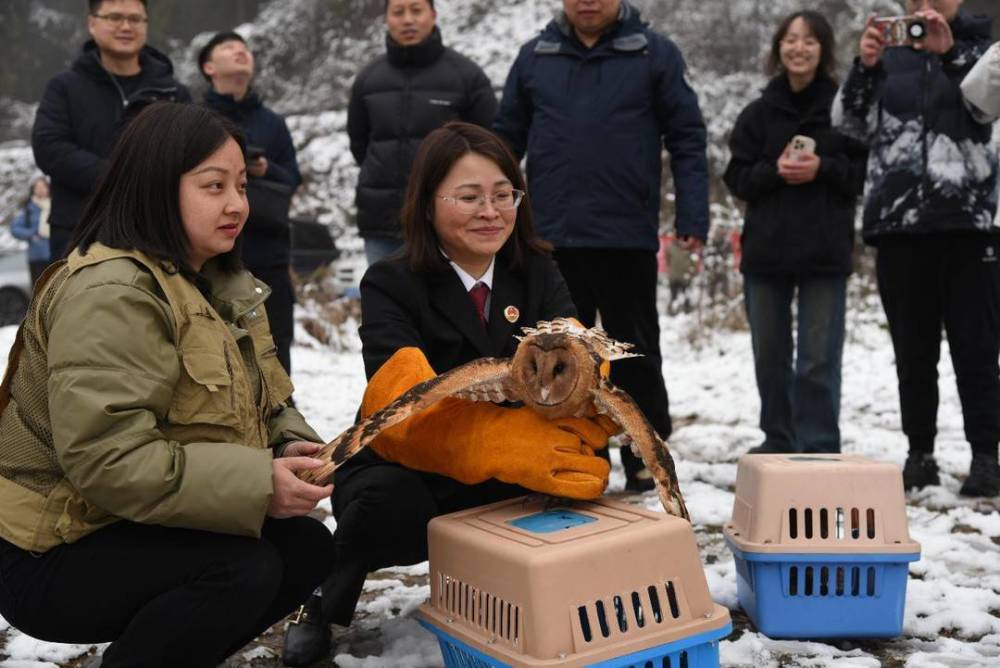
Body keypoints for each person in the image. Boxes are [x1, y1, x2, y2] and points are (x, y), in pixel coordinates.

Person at [0, 103, 335, 667]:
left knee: (304, 548)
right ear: (155, 186)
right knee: (241, 569)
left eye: (241, 186)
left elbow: (263, 398)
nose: (236, 204)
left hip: (126, 521)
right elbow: (109, 460)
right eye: (213, 186)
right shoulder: (113, 292)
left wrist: (285, 445)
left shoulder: (214, 280)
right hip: (52, 546)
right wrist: (258, 483)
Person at [281, 122, 618, 666]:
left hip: (512, 466)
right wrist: (495, 430)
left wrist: (585, 379)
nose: (490, 211)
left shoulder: (536, 269)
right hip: (417, 463)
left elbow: (573, 361)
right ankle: (321, 600)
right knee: (379, 504)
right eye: (469, 196)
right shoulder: (391, 281)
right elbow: (398, 398)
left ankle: (561, 595)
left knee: (580, 462)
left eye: (503, 194)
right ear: (428, 201)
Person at [494, 0, 709, 491]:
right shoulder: (535, 57)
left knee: (634, 351)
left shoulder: (654, 54)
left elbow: (687, 138)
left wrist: (692, 215)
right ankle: (569, 452)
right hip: (549, 236)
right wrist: (494, 211)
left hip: (625, 234)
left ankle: (643, 454)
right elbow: (504, 142)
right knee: (553, 352)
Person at [833, 0, 999, 494]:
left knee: (977, 348)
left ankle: (986, 457)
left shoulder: (984, 48)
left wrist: (949, 56)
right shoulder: (887, 51)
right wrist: (863, 68)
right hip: (900, 225)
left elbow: (985, 109)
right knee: (913, 349)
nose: (926, 4)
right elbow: (847, 126)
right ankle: (919, 453)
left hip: (970, 224)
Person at [724, 11, 867, 455]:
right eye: (790, 39)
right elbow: (737, 178)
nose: (798, 48)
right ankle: (779, 440)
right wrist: (776, 172)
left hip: (825, 253)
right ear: (778, 49)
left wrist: (823, 167)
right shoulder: (758, 113)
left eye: (808, 40)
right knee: (769, 357)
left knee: (817, 361)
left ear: (823, 50)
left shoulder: (845, 110)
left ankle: (819, 445)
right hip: (766, 254)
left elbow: (862, 175)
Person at [32, 0, 191, 261]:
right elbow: (49, 147)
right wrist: (119, 178)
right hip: (81, 229)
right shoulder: (64, 87)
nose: (126, 26)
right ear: (92, 23)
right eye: (115, 17)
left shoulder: (172, 93)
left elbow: (192, 153)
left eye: (135, 19)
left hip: (156, 229)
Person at [348, 0, 497, 266]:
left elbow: (490, 146)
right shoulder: (368, 79)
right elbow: (360, 145)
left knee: (449, 304)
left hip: (448, 219)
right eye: (398, 12)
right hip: (382, 220)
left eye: (416, 10)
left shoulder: (467, 76)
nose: (407, 20)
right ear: (386, 19)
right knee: (385, 301)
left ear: (433, 15)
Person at [200, 30, 301, 375]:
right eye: (229, 48)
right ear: (209, 67)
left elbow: (293, 178)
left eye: (244, 48)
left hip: (269, 247)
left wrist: (263, 168)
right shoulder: (194, 119)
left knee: (276, 345)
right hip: (213, 250)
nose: (240, 51)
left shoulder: (273, 122)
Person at [10, 176, 52, 285]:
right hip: (37, 258)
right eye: (37, 187)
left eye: (43, 186)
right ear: (33, 190)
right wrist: (31, 234)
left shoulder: (55, 205)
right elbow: (15, 228)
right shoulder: (29, 209)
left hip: (57, 254)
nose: (40, 189)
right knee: (40, 291)